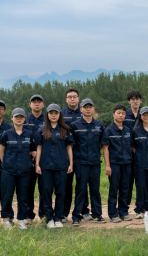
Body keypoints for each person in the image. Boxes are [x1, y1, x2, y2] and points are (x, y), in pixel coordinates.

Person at [35, 104, 75, 229]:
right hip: (45, 166)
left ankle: (58, 217)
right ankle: (49, 218)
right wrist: (37, 164)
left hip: (61, 165)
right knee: (46, 192)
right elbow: (39, 148)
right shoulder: (41, 130)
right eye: (51, 113)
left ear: (59, 114)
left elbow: (69, 147)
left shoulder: (65, 130)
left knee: (60, 192)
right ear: (47, 114)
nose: (53, 115)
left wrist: (71, 163)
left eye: (56, 113)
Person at [70, 99, 106, 226]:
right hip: (80, 163)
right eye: (85, 107)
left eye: (90, 106)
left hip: (95, 162)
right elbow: (71, 145)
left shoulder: (99, 125)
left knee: (95, 189)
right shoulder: (75, 125)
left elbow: (102, 144)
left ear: (93, 108)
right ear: (81, 109)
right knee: (80, 189)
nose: (88, 109)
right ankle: (76, 216)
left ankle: (97, 215)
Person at [0, 108, 35, 230]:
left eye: (21, 117)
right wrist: (6, 163)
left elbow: (33, 151)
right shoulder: (6, 134)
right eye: (16, 116)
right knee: (6, 195)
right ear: (12, 118)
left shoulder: (29, 134)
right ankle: (6, 220)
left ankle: (21, 220)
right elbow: (1, 150)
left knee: (23, 196)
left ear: (24, 118)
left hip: (25, 171)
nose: (19, 119)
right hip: (8, 170)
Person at [61, 88, 90, 223]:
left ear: (78, 98)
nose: (72, 99)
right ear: (66, 99)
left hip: (81, 154)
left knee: (82, 184)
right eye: (69, 97)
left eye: (74, 97)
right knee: (66, 185)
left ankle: (84, 211)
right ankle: (63, 212)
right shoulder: (62, 114)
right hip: (65, 155)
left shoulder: (84, 112)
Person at [102, 104, 133, 223]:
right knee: (114, 189)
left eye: (123, 113)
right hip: (114, 164)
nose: (121, 115)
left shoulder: (127, 130)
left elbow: (131, 147)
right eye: (119, 113)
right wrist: (108, 166)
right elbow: (105, 149)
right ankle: (113, 214)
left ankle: (123, 212)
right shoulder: (108, 130)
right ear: (113, 114)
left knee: (125, 189)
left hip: (127, 164)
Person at [24, 94, 46, 224]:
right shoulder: (24, 119)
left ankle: (43, 214)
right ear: (30, 104)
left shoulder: (48, 119)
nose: (36, 104)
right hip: (27, 159)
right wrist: (31, 151)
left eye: (39, 101)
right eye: (34, 102)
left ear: (43, 104)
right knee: (28, 188)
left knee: (44, 188)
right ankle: (28, 215)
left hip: (44, 159)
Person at [124, 90, 142, 206]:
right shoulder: (124, 115)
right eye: (133, 99)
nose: (135, 101)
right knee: (128, 181)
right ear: (129, 101)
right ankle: (125, 207)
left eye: (137, 99)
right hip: (128, 152)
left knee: (141, 181)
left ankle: (141, 206)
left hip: (140, 152)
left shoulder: (144, 115)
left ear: (140, 101)